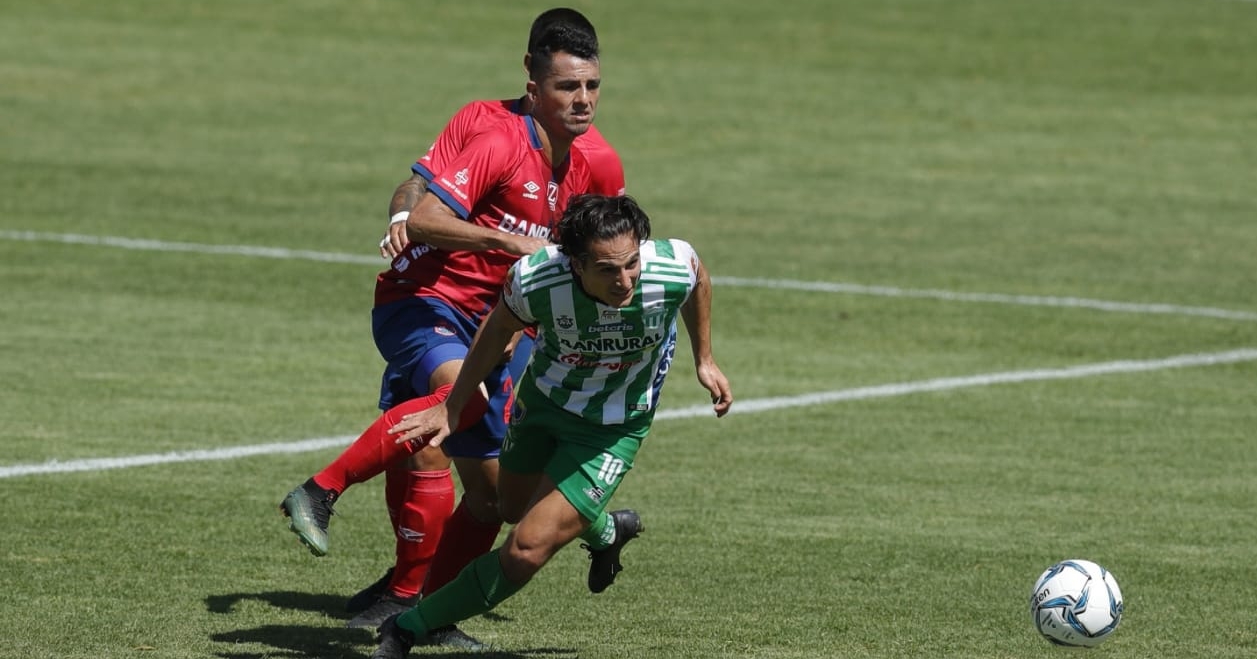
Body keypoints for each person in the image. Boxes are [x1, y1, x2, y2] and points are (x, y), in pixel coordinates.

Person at [279, 11, 607, 648]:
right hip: (426, 300)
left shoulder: (598, 162)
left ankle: (419, 603)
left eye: (592, 86)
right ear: (532, 79)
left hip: (502, 321)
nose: (583, 100)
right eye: (569, 87)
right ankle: (322, 491)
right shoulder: (486, 128)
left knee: (491, 499)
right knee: (460, 403)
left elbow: (595, 254)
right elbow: (420, 195)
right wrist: (425, 220)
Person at [371, 194, 733, 657]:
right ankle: (606, 532)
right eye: (607, 269)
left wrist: (705, 358)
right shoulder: (537, 278)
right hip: (543, 404)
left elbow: (698, 278)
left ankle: (407, 627)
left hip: (612, 429)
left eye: (631, 264)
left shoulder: (671, 264)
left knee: (526, 548)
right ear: (576, 265)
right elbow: (497, 329)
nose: (624, 280)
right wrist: (453, 404)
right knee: (510, 505)